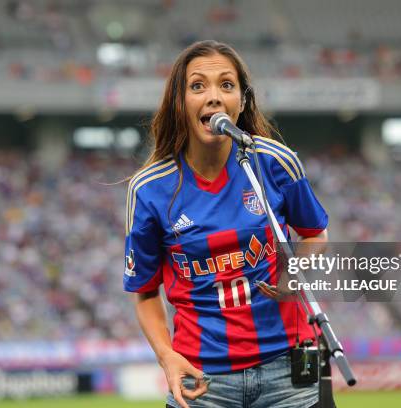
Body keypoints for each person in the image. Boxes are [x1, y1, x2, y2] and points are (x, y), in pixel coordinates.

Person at [123, 40, 329, 408]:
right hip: (203, 381)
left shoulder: (274, 162)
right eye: (198, 86)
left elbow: (316, 234)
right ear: (179, 102)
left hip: (289, 369)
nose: (214, 96)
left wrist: (293, 272)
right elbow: (145, 291)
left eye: (227, 85)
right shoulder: (150, 188)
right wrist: (166, 355)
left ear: (242, 101)